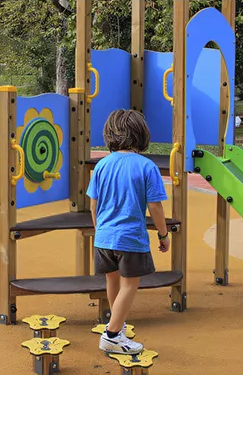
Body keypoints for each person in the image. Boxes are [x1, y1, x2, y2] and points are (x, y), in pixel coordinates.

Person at [87, 109, 171, 355]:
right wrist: (163, 235)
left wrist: (99, 229)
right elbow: (155, 206)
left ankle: (117, 325)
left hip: (104, 236)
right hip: (130, 237)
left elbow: (94, 203)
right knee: (130, 285)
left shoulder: (102, 164)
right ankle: (112, 334)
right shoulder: (146, 166)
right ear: (141, 134)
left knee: (112, 280)